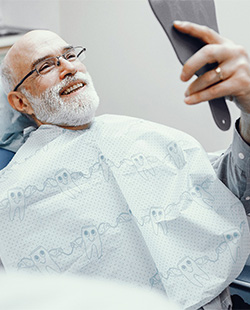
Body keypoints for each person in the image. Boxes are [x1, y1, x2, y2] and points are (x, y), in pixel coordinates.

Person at [0, 21, 250, 310]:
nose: (68, 67)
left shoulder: (139, 135)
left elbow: (230, 192)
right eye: (45, 67)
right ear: (21, 102)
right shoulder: (12, 196)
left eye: (70, 55)